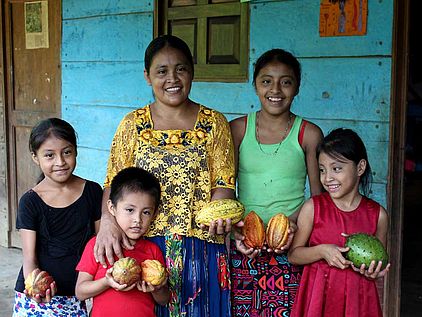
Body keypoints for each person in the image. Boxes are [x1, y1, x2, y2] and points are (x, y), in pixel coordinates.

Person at [94, 34, 236, 317]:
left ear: (192, 71)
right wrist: (108, 224)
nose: (173, 78)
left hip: (201, 245)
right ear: (147, 76)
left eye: (181, 69)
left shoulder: (214, 123)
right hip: (144, 243)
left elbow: (224, 183)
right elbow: (113, 182)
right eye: (162, 71)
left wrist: (219, 214)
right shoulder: (132, 125)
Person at [229, 48, 323, 316]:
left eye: (286, 81)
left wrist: (293, 225)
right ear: (255, 85)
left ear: (297, 87)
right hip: (244, 245)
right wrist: (237, 230)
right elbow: (226, 190)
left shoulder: (308, 134)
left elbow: (318, 198)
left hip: (290, 246)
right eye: (266, 80)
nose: (276, 90)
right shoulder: (238, 129)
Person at [288, 128, 390, 317]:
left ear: (360, 167)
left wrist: (374, 271)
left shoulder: (378, 215)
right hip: (319, 298)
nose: (327, 178)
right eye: (322, 170)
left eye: (337, 169)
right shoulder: (313, 208)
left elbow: (377, 263)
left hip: (358, 302)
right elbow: (294, 255)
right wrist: (322, 251)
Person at [12, 118, 102, 317]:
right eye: (49, 155)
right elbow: (29, 258)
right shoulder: (30, 201)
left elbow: (100, 243)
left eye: (67, 152)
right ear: (35, 158)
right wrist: (35, 286)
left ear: (76, 151)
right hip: (41, 299)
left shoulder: (93, 192)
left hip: (78, 295)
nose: (60, 162)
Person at [75, 167, 169, 316]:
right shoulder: (98, 246)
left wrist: (157, 288)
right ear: (112, 208)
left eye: (146, 212)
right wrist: (107, 282)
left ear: (155, 214)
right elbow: (80, 292)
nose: (137, 220)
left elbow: (163, 300)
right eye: (130, 210)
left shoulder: (152, 250)